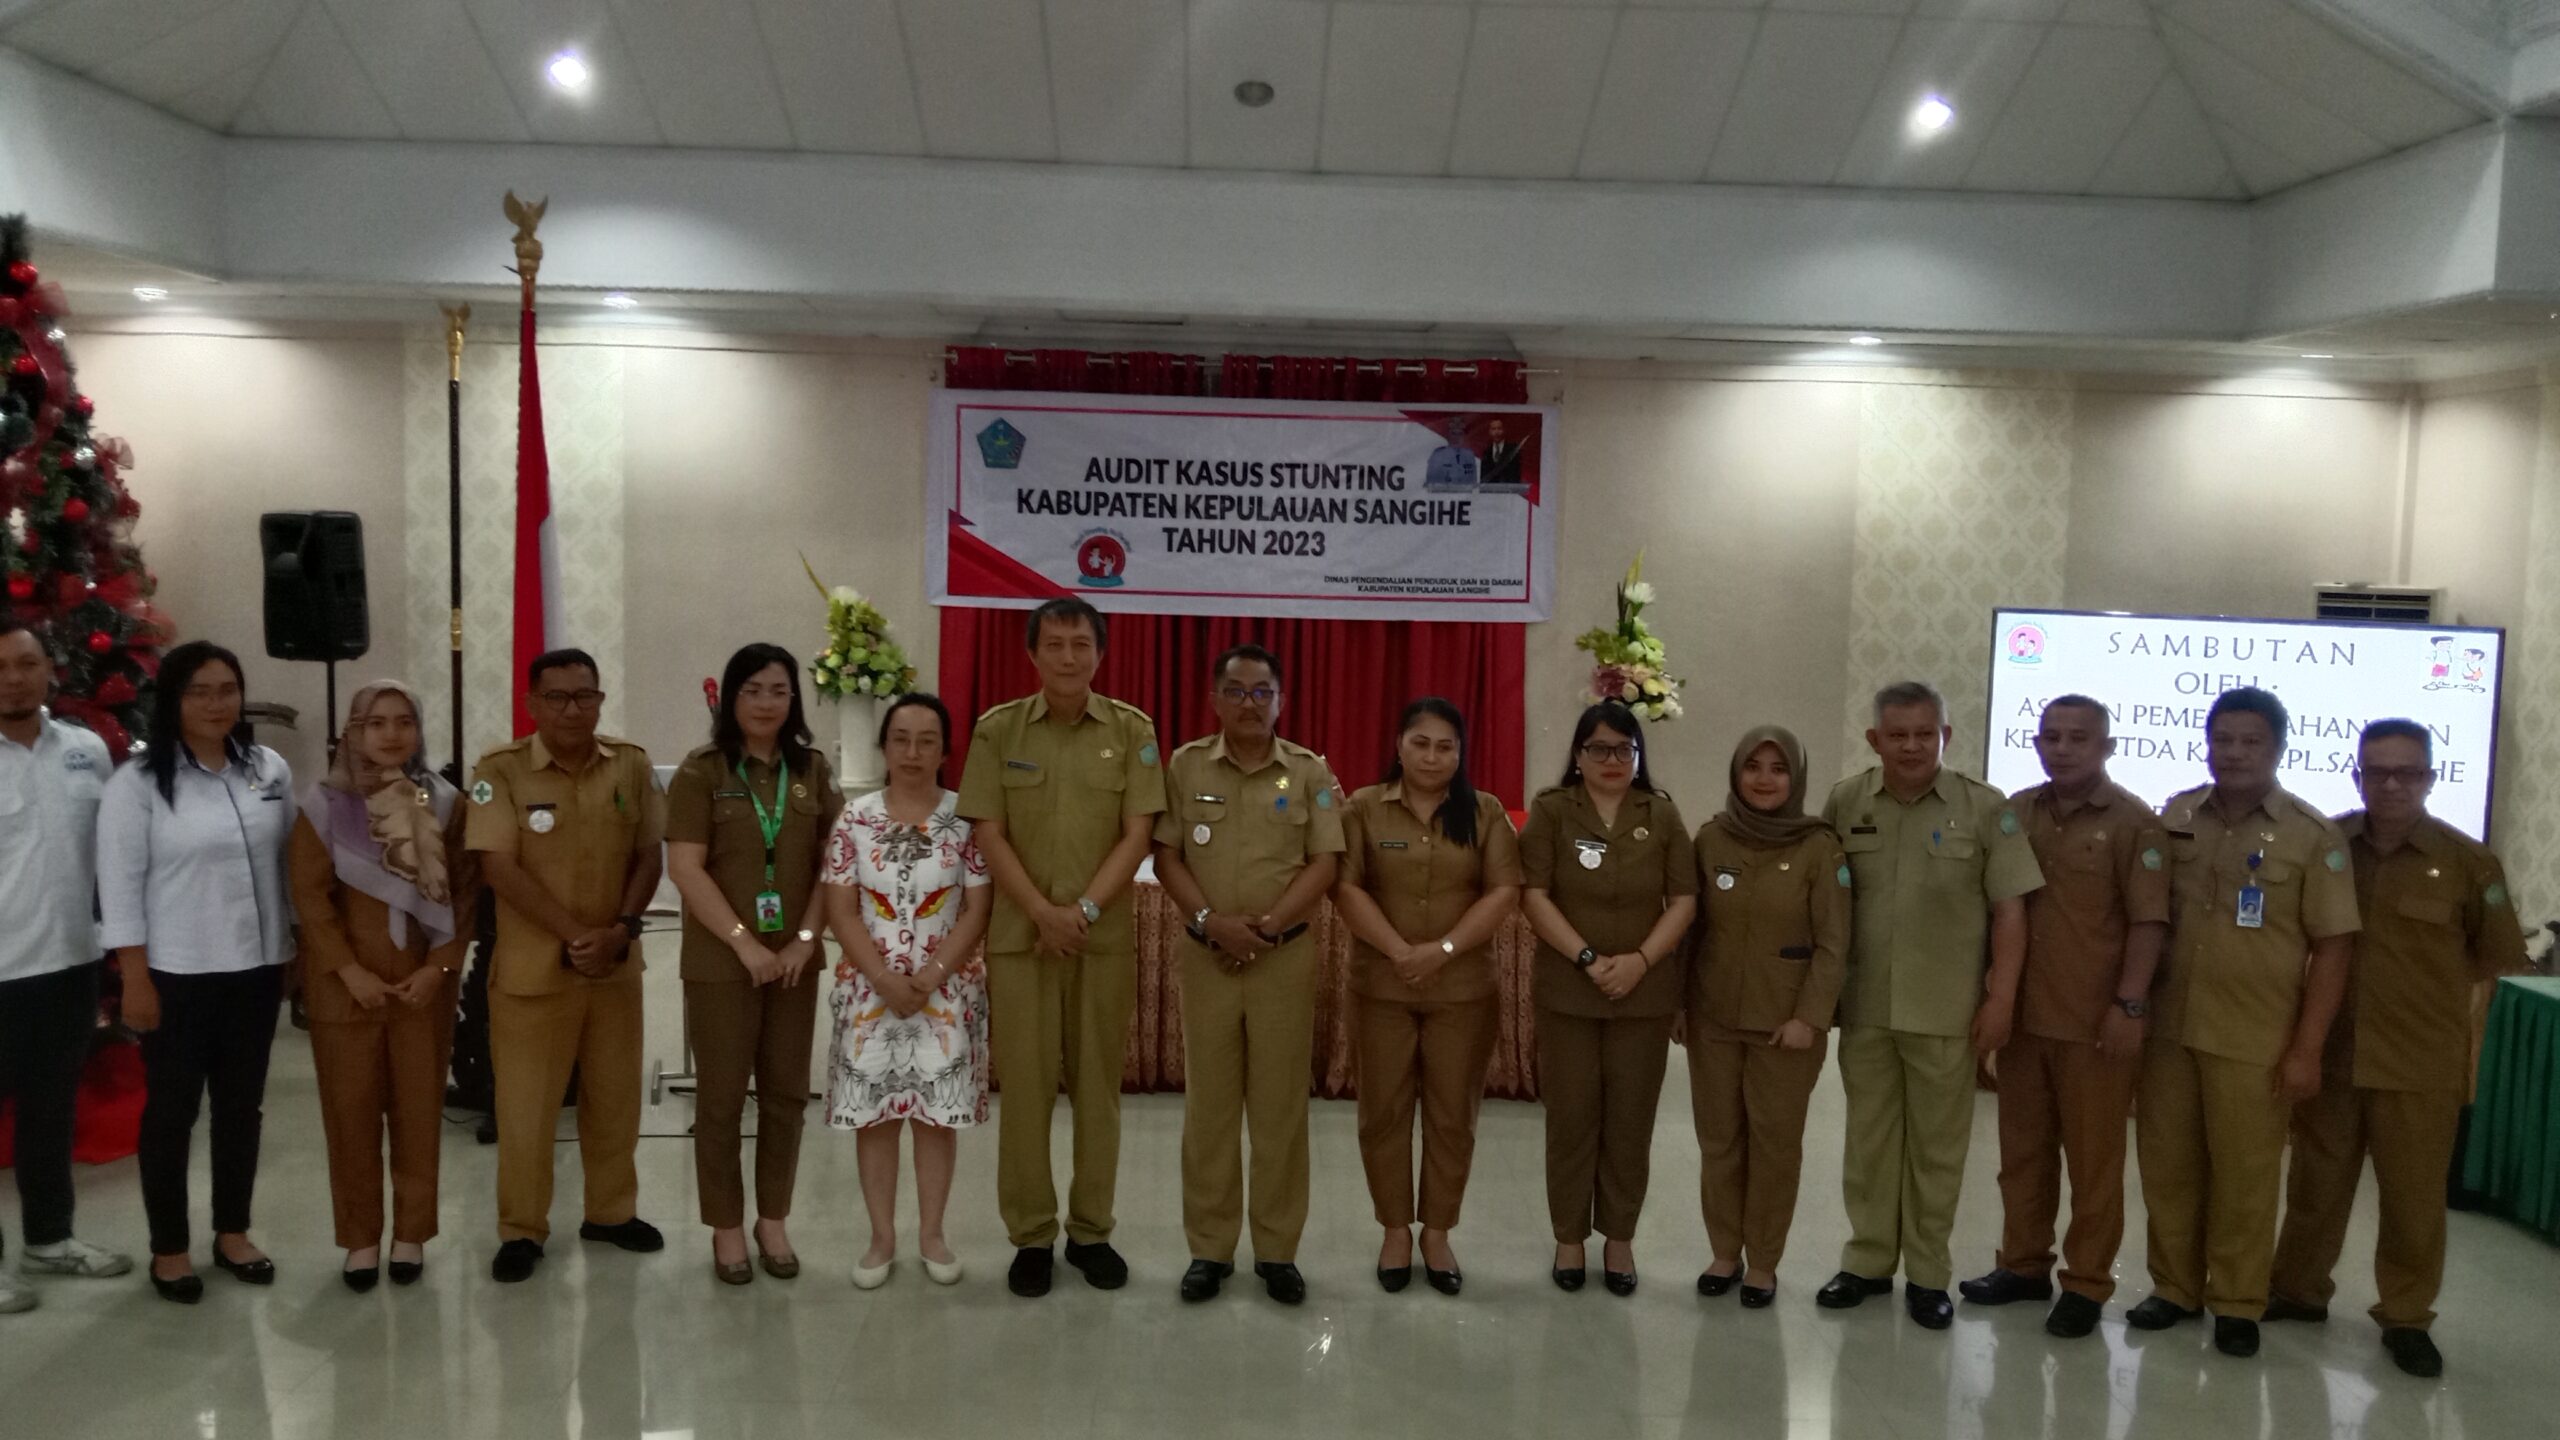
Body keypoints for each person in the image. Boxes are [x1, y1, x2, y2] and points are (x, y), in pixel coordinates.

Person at [2264, 719, 2526, 1377]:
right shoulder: (2327, 846)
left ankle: (2407, 1317)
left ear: (2430, 778)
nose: (2391, 784)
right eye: (2377, 771)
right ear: (2358, 775)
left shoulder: (2468, 863)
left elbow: (2490, 959)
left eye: (2407, 772)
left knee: (2413, 1200)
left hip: (2419, 1062)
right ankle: (2297, 1292)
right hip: (2332, 1052)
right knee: (2315, 1186)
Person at [2128, 686, 2358, 1359]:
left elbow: (2334, 948)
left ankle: (2235, 1300)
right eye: (2222, 740)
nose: (2233, 753)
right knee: (2167, 1168)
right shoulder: (2177, 816)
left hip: (2255, 1035)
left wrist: (2307, 1048)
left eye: (2250, 742)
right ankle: (2174, 1288)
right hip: (2171, 1029)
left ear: (2278, 748)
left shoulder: (2312, 836)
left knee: (2245, 1177)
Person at [954, 598, 1163, 1298]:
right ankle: (1032, 1236)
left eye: (1081, 644)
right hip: (1022, 941)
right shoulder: (998, 730)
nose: (1069, 657)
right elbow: (987, 831)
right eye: (1055, 644)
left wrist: (1083, 911)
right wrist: (1043, 913)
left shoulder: (1132, 730)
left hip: (1099, 944)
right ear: (1033, 653)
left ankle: (1092, 1231)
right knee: (1027, 1093)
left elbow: (1137, 834)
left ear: (1101, 653)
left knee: (1099, 1091)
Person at [1816, 681, 2042, 1330]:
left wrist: (2001, 998)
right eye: (1898, 734)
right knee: (1869, 1145)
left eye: (1924, 734)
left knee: (1937, 1153)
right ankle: (1866, 1263)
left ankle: (1926, 1275)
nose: (1911, 746)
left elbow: (2010, 911)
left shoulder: (1985, 807)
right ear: (1875, 739)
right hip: (1865, 1005)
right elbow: (1822, 899)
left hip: (1948, 1011)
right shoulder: (1846, 801)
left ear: (1945, 736)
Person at [1959, 696, 2170, 1337]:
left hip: (2093, 1024)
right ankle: (2023, 1266)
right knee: (2022, 1156)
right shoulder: (2016, 812)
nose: (2063, 748)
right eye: (2051, 736)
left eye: (2079, 737)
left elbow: (2148, 922)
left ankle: (2085, 1283)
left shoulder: (2135, 823)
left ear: (2107, 747)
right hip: (2025, 1019)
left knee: (2093, 1164)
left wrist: (2129, 1004)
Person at [97, 640, 295, 1304]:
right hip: (177, 974)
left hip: (256, 970)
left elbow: (290, 866)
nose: (216, 703)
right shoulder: (138, 783)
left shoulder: (267, 769)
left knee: (242, 1109)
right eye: (199, 692)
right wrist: (135, 978)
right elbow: (119, 887)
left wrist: (292, 951)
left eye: (227, 689)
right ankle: (170, 1248)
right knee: (172, 1113)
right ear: (173, 701)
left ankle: (233, 1232)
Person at [466, 648, 667, 1284]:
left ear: (600, 700)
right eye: (556, 697)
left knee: (615, 1101)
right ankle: (521, 1229)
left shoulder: (630, 765)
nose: (573, 709)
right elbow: (498, 868)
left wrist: (620, 930)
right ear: (532, 704)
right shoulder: (499, 770)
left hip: (614, 967)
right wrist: (581, 936)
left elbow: (649, 854)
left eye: (585, 695)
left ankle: (610, 1213)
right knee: (526, 1111)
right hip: (533, 974)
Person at [1153, 645, 1345, 1305]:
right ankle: (1209, 1249)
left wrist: (1265, 929)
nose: (1249, 703)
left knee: (1279, 1109)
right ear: (1214, 699)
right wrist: (1212, 923)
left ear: (1281, 701)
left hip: (1282, 960)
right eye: (1235, 690)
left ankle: (1276, 1251)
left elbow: (1325, 862)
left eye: (1262, 692)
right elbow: (1167, 855)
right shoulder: (1185, 766)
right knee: (1208, 1108)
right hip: (1206, 957)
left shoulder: (1309, 771)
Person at [664, 645, 843, 1286]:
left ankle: (773, 1220)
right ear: (731, 698)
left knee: (786, 1097)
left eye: (779, 691)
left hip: (794, 963)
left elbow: (834, 865)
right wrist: (744, 943)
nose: (767, 703)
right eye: (753, 690)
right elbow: (685, 867)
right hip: (721, 962)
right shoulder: (701, 772)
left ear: (794, 700)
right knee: (720, 1099)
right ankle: (727, 1227)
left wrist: (804, 940)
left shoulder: (812, 771)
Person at [1333, 697, 1521, 1296]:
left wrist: (1441, 950)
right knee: (1382, 1111)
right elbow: (1345, 887)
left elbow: (1503, 891)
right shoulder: (1364, 808)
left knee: (1451, 1115)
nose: (1433, 757)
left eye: (1446, 746)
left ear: (1461, 753)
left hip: (1462, 991)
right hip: (1380, 988)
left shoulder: (1485, 812)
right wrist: (1398, 951)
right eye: (1421, 743)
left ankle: (1437, 1233)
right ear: (1399, 745)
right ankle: (1395, 1230)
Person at [288, 681, 472, 1292]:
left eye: (404, 721)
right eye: (376, 723)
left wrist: (439, 967)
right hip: (347, 987)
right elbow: (310, 898)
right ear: (353, 732)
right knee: (351, 1116)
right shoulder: (323, 804)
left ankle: (410, 1235)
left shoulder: (445, 802)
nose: (392, 734)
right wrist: (350, 970)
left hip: (423, 987)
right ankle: (361, 1238)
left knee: (419, 1113)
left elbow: (466, 894)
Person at [1519, 701, 1698, 1298]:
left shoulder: (1661, 814)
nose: (1612, 760)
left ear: (1638, 755)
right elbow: (1533, 895)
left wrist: (1641, 961)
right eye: (1598, 748)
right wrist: (1589, 959)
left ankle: (1619, 1238)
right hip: (1569, 992)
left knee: (1629, 1122)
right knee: (1571, 1119)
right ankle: (1569, 1239)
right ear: (1578, 755)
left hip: (1643, 998)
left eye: (1625, 749)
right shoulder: (1552, 810)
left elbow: (1683, 901)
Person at [822, 693, 992, 1289]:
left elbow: (976, 908)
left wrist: (931, 975)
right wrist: (884, 978)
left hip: (943, 996)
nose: (913, 752)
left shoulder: (965, 820)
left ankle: (933, 1235)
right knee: (875, 1117)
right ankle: (880, 1239)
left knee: (934, 1118)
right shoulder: (855, 819)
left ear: (945, 750)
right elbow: (841, 909)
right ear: (884, 747)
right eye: (901, 739)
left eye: (927, 740)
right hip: (871, 994)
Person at [1685, 725, 1847, 1311]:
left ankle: (1763, 1262)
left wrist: (1810, 1017)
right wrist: (1680, 1005)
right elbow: (1690, 928)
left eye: (1778, 769)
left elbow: (1834, 943)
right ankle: (1724, 1253)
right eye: (1752, 766)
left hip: (1786, 1028)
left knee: (1775, 1147)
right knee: (1719, 1142)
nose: (1764, 779)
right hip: (1713, 1019)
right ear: (1736, 773)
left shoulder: (1819, 847)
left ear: (1795, 778)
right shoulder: (1711, 839)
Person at [0, 618, 131, 1314]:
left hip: (70, 964)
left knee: (50, 1115)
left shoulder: (85, 751)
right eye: (0, 668)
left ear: (49, 669)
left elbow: (110, 857)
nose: (13, 680)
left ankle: (49, 1240)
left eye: (26, 664)